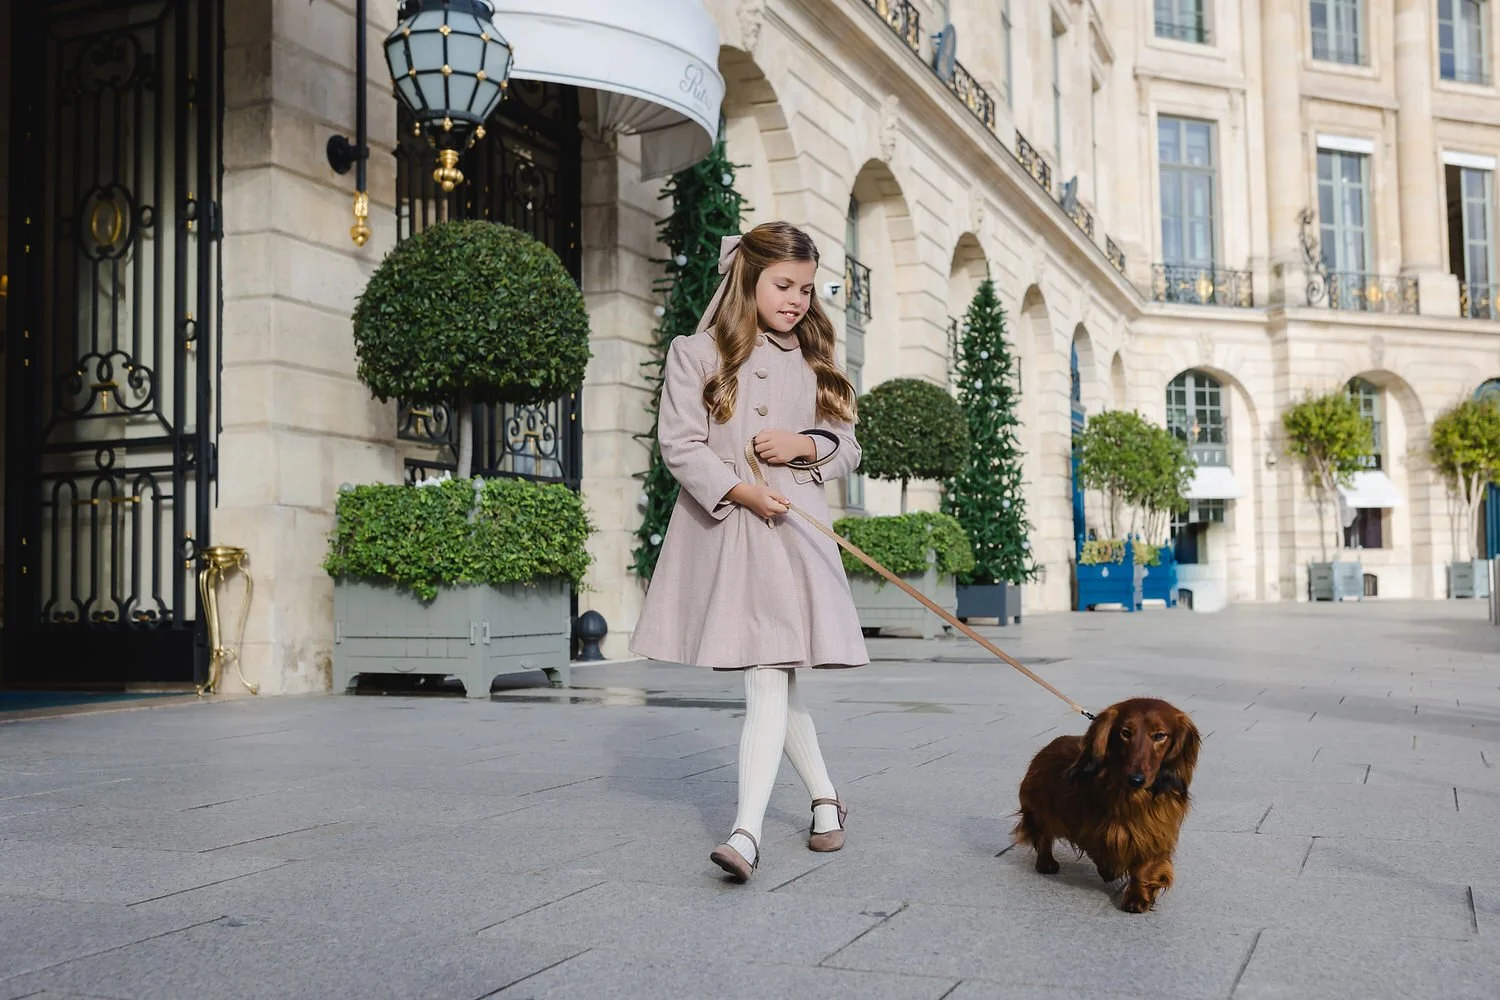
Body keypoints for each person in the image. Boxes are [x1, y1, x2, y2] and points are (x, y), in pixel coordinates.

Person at [630, 221, 868, 880]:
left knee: (770, 681)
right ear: (749, 277)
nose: (796, 299)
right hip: (732, 534)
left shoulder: (816, 357)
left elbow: (846, 444)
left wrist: (803, 446)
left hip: (795, 537)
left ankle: (748, 832)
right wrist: (739, 487)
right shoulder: (697, 352)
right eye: (783, 284)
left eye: (806, 289)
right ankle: (819, 801)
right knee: (770, 681)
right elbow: (679, 443)